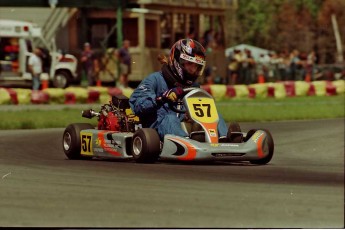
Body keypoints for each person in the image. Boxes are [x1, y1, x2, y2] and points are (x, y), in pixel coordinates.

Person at [129, 38, 228, 140]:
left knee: (216, 116)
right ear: (177, 61)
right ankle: (187, 144)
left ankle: (225, 141)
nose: (193, 70)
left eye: (196, 66)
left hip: (183, 128)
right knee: (171, 118)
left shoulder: (194, 87)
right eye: (189, 64)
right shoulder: (155, 79)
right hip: (156, 130)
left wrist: (190, 116)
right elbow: (137, 105)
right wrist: (162, 98)